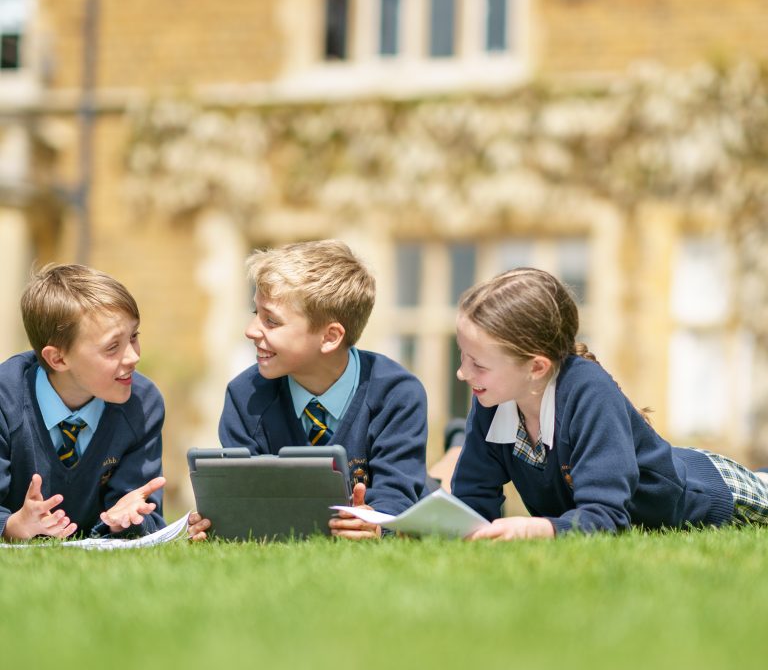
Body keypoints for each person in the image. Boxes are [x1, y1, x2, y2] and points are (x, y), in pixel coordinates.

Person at [451, 267, 768, 539]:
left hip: (713, 492)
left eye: (478, 364)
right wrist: (445, 526)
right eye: (462, 355)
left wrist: (534, 529)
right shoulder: (493, 398)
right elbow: (472, 501)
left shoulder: (589, 391)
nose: (462, 373)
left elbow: (605, 518)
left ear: (536, 367)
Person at [188, 240, 429, 541]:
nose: (251, 330)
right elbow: (242, 502)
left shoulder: (397, 394)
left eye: (271, 321)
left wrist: (377, 524)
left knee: (437, 485)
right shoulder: (244, 395)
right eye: (255, 312)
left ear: (330, 337)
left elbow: (397, 498)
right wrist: (217, 521)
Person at [0, 264, 166, 541]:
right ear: (58, 359)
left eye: (134, 337)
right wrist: (11, 526)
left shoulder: (143, 404)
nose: (133, 357)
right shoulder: (6, 400)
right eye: (112, 347)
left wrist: (126, 520)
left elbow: (144, 511)